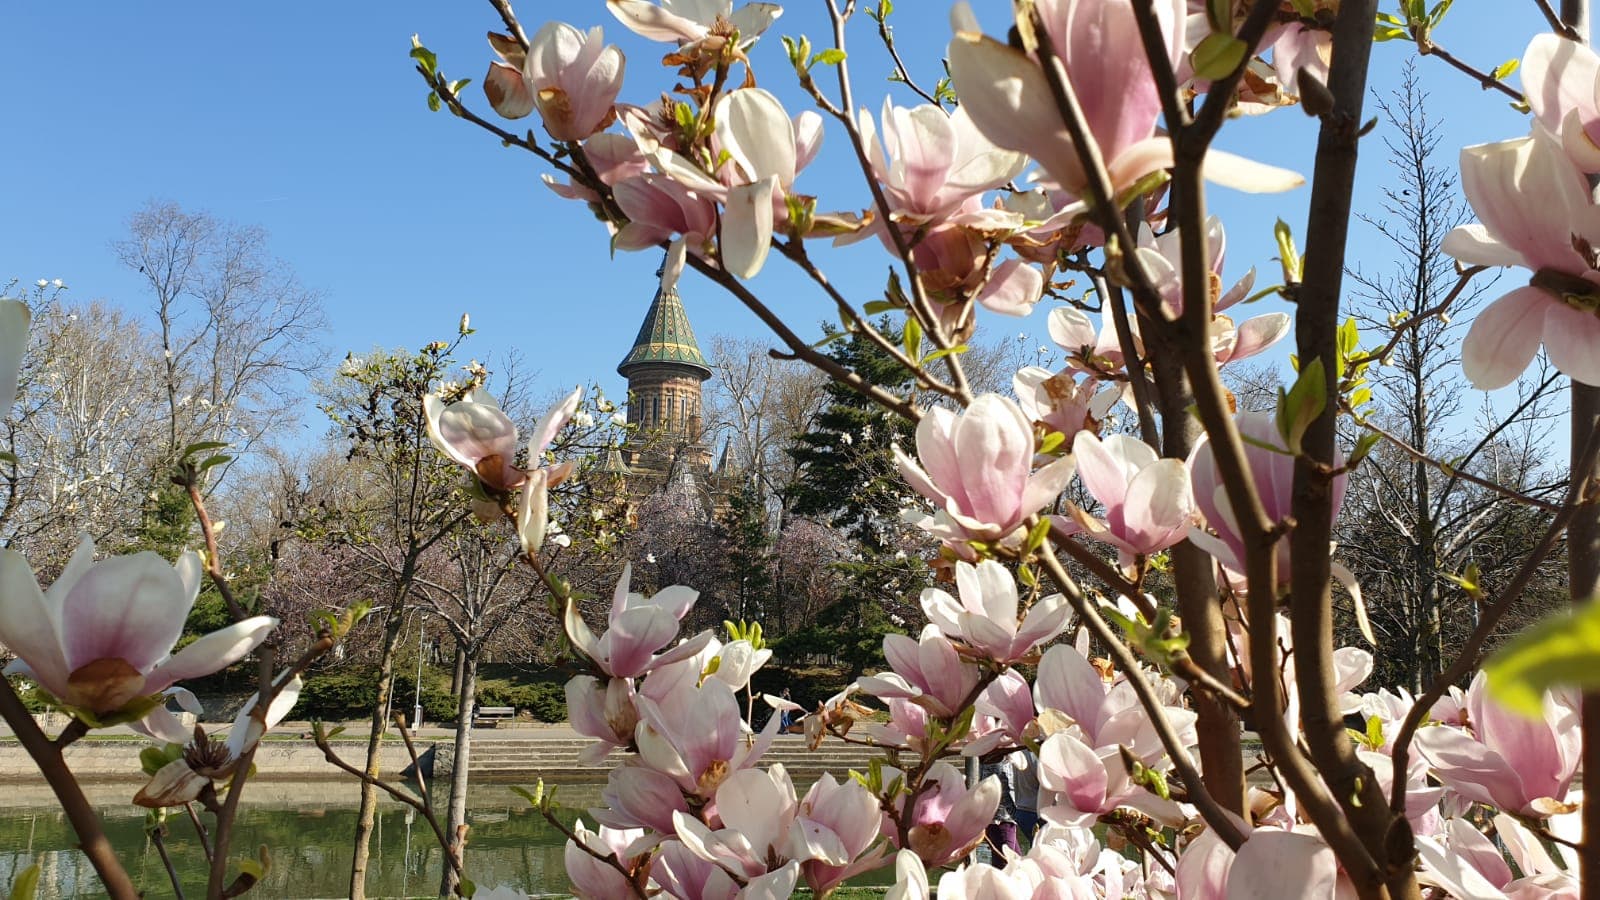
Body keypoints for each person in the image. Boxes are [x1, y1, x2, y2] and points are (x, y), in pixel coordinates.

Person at [980, 755, 1019, 866]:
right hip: (1002, 817)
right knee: (1007, 863)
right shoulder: (997, 758)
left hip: (999, 817)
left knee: (1014, 861)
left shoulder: (983, 758)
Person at [1010, 748, 1040, 847]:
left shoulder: (1018, 753)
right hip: (1036, 812)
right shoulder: (1037, 755)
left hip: (1022, 809)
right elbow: (1045, 783)